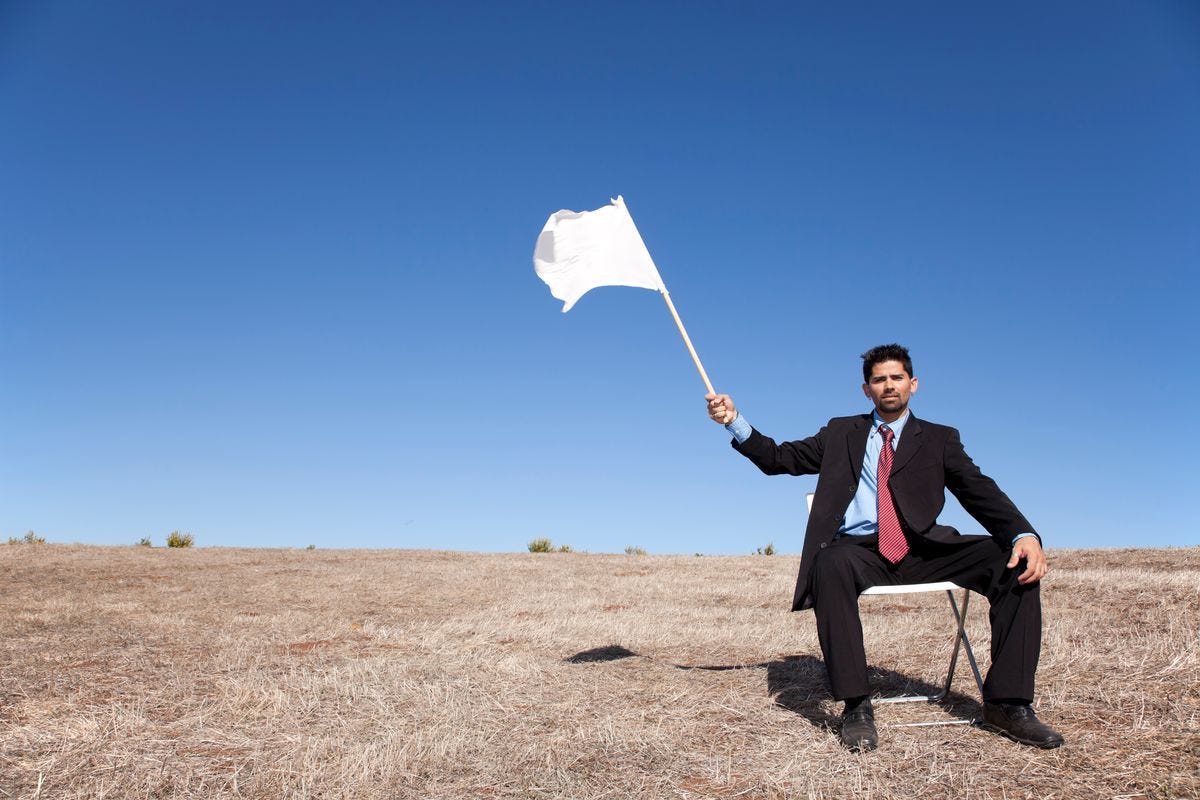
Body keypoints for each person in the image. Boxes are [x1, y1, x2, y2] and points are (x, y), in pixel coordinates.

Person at [705, 343, 1063, 752]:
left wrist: (1023, 534)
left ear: (913, 384)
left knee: (1012, 563)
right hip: (861, 552)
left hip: (924, 549)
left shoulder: (940, 439)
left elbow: (979, 491)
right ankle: (856, 707)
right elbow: (778, 458)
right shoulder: (840, 433)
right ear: (866, 390)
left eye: (896, 378)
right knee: (830, 563)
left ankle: (1008, 706)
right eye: (879, 380)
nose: (888, 386)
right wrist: (734, 421)